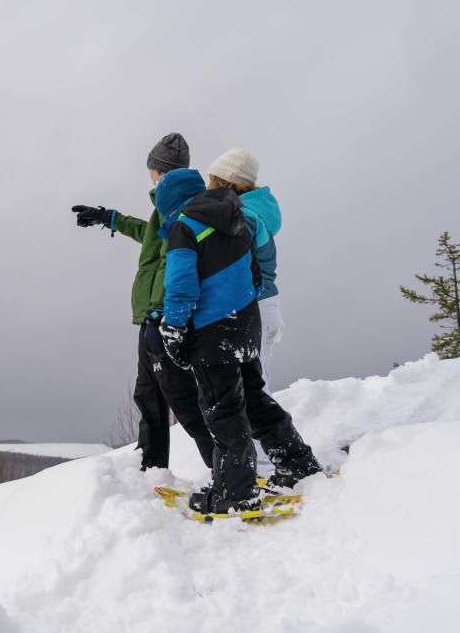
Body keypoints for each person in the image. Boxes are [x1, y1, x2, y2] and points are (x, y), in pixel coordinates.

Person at [154, 168, 321, 513]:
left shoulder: (184, 226)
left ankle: (236, 493)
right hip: (245, 324)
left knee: (224, 411)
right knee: (256, 401)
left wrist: (174, 330)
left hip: (212, 333)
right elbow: (256, 273)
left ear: (170, 202)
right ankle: (297, 465)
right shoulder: (234, 216)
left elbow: (181, 287)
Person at [71, 133, 214, 471]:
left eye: (151, 168)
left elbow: (175, 263)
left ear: (159, 170)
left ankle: (226, 468)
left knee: (182, 398)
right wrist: (109, 218)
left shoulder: (183, 206)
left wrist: (161, 313)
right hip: (152, 316)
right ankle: (151, 468)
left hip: (166, 317)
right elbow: (148, 235)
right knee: (148, 394)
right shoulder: (165, 206)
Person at [207, 148, 282, 388]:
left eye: (212, 179)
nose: (208, 186)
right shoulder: (251, 213)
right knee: (255, 383)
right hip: (263, 304)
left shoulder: (245, 217)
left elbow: (232, 263)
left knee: (254, 387)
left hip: (255, 306)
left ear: (225, 183)